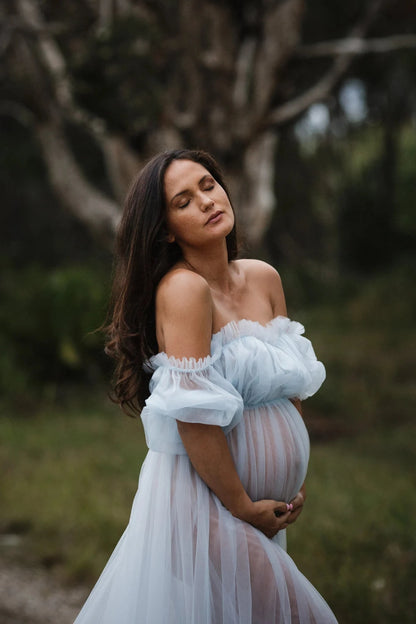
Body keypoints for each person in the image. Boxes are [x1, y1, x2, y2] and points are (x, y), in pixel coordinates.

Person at [74, 149, 338, 623]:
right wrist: (241, 505)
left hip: (260, 510)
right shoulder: (183, 290)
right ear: (167, 229)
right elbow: (194, 416)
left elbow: (290, 388)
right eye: (182, 200)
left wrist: (292, 481)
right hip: (205, 509)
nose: (205, 201)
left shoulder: (264, 278)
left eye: (208, 185)